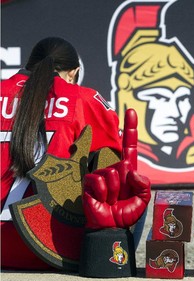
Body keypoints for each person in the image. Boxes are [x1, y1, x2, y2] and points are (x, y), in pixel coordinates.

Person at [0, 37, 124, 270]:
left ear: (27, 65)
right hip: (49, 249)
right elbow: (114, 162)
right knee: (126, 183)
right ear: (74, 72)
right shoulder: (83, 98)